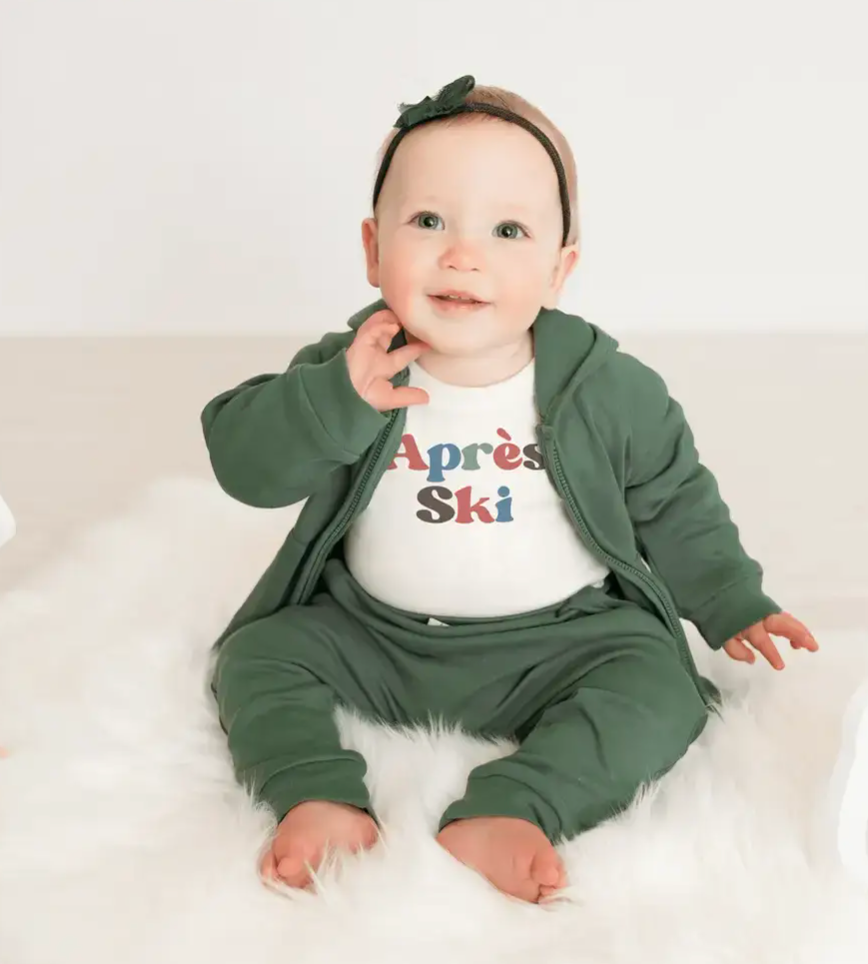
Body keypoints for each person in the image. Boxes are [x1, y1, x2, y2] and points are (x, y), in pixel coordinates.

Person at [201, 75, 820, 905]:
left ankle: (518, 806)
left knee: (661, 690)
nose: (463, 254)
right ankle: (315, 793)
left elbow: (673, 500)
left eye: (508, 230)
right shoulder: (354, 365)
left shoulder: (608, 388)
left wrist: (731, 599)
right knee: (258, 654)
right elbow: (245, 465)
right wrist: (331, 403)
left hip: (558, 642)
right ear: (371, 248)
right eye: (427, 222)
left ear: (560, 269)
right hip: (374, 635)